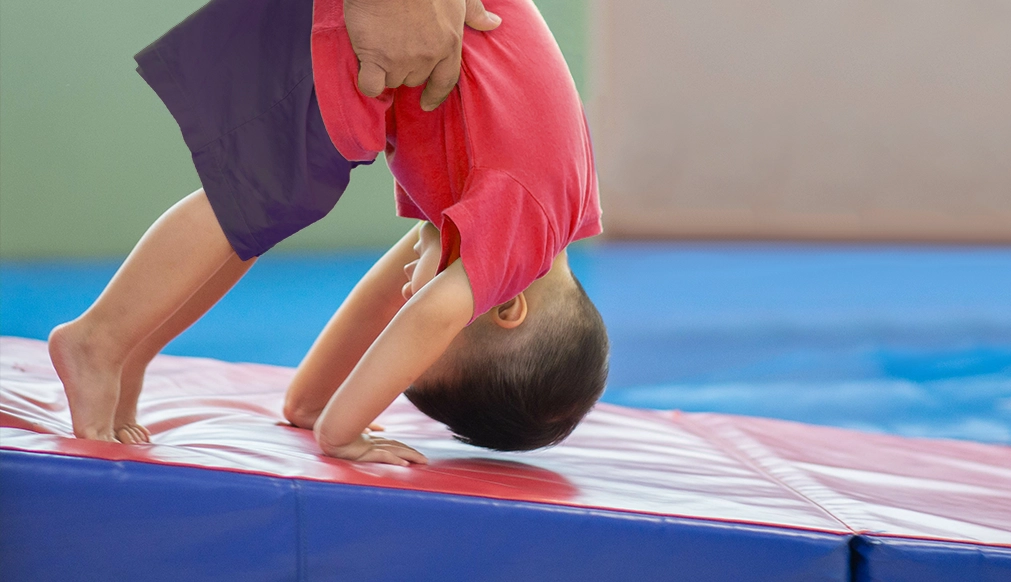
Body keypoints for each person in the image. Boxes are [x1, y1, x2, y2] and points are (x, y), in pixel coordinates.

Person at [48, 0, 608, 465]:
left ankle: (133, 348)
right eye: (432, 321)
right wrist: (342, 434)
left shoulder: (539, 212)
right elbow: (427, 315)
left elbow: (390, 296)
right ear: (508, 306)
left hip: (403, 32)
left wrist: (316, 404)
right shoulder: (522, 229)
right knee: (262, 193)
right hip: (386, 17)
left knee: (267, 207)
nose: (411, 300)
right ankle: (96, 341)